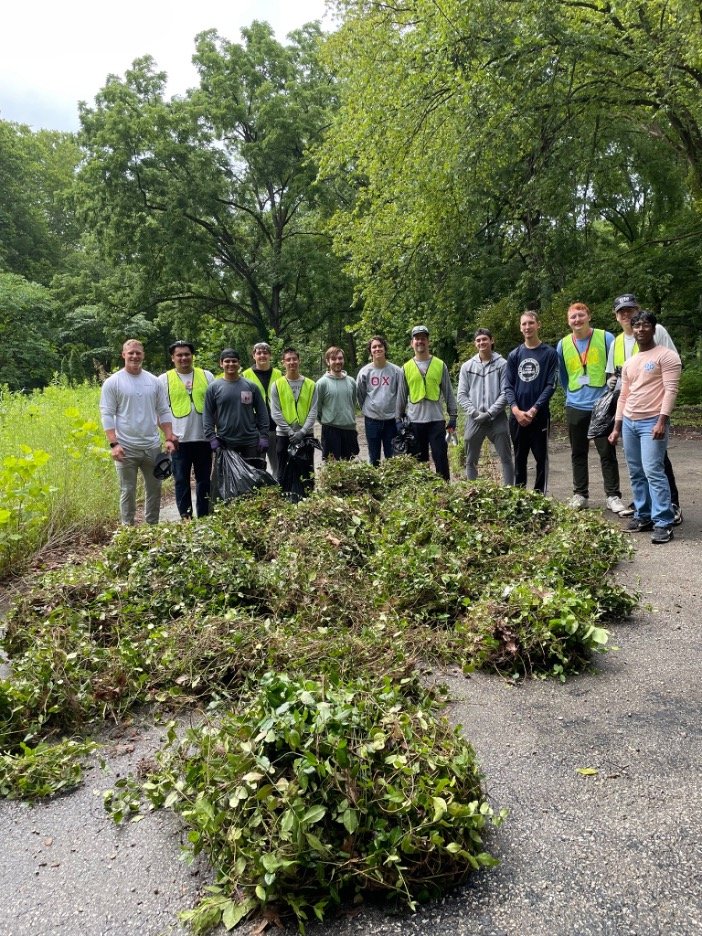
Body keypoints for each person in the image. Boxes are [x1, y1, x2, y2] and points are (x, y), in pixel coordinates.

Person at [606, 293, 682, 525]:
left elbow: (670, 387)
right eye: (635, 324)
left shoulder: (664, 350)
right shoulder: (624, 351)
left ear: (652, 328)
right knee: (637, 471)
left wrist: (662, 420)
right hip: (629, 419)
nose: (639, 328)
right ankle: (644, 514)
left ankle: (666, 517)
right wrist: (617, 426)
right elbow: (622, 391)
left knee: (654, 469)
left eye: (644, 324)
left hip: (652, 419)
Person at [556, 302, 627, 514]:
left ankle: (613, 495)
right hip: (575, 404)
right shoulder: (563, 344)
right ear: (568, 321)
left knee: (607, 451)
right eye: (573, 317)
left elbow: (617, 366)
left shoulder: (605, 338)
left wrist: (612, 388)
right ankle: (580, 494)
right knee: (578, 452)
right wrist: (570, 393)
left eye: (580, 315)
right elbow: (563, 375)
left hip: (602, 404)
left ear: (589, 316)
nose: (577, 320)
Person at [100, 338, 177, 525]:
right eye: (131, 352)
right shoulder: (113, 382)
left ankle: (151, 528)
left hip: (151, 446)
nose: (134, 356)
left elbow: (164, 410)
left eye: (138, 353)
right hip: (125, 448)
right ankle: (128, 530)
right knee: (127, 490)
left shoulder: (153, 381)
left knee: (155, 489)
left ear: (143, 355)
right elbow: (107, 414)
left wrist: (169, 437)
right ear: (123, 355)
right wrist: (114, 443)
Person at [503, 311, 559, 493]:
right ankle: (519, 496)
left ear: (538, 325)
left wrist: (534, 409)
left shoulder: (549, 354)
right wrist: (516, 410)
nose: (527, 327)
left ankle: (538, 496)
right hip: (517, 417)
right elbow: (508, 385)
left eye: (531, 323)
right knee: (519, 457)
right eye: (524, 324)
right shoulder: (514, 355)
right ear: (520, 328)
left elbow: (551, 385)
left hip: (539, 417)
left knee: (541, 458)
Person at [158, 340, 214, 520]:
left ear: (192, 356)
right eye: (179, 355)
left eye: (187, 354)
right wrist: (168, 436)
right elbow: (157, 410)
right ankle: (186, 518)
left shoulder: (207, 376)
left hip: (204, 438)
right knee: (181, 480)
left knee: (204, 480)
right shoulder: (163, 380)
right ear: (172, 358)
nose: (184, 358)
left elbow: (216, 406)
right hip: (178, 440)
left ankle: (205, 516)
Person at [396, 325, 458, 481]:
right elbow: (401, 396)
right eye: (417, 338)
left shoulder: (439, 364)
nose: (420, 341)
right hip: (415, 422)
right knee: (419, 463)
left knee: (441, 459)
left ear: (428, 341)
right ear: (412, 343)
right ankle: (422, 496)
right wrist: (398, 419)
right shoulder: (406, 368)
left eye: (423, 338)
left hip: (436, 421)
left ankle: (444, 493)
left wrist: (453, 416)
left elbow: (448, 391)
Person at [457, 328, 514, 484]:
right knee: (470, 459)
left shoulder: (503, 364)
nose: (482, 342)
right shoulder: (467, 366)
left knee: (506, 457)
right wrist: (474, 413)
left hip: (497, 418)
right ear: (475, 344)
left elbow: (506, 393)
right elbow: (461, 394)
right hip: (474, 418)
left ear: (491, 341)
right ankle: (473, 491)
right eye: (478, 340)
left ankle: (510, 492)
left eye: (484, 339)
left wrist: (490, 413)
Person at [202, 348, 269, 463]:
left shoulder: (251, 386)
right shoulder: (213, 388)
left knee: (252, 478)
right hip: (226, 443)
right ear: (221, 363)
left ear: (239, 363)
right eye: (227, 361)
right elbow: (207, 414)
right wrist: (212, 437)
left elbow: (262, 412)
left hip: (251, 442)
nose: (231, 364)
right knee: (229, 479)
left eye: (234, 361)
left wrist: (263, 436)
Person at [270, 348, 319, 498]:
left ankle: (307, 499)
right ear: (283, 363)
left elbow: (313, 410)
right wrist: (291, 432)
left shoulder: (311, 384)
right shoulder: (277, 385)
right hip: (284, 436)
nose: (292, 362)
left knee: (307, 470)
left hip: (306, 435)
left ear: (299, 360)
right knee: (282, 470)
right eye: (288, 360)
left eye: (294, 359)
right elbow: (275, 412)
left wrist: (302, 432)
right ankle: (284, 500)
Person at [356, 335, 403, 466]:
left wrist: (399, 416)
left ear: (385, 348)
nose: (377, 349)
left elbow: (401, 395)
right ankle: (374, 484)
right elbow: (360, 394)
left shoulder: (396, 371)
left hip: (391, 421)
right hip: (372, 420)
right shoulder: (365, 372)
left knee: (392, 457)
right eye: (374, 347)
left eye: (380, 346)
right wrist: (367, 409)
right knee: (373, 457)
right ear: (370, 351)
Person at [242, 341, 283, 476]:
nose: (262, 355)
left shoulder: (279, 374)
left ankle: (278, 491)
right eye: (259, 353)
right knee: (257, 465)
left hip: (275, 426)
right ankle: (260, 493)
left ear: (270, 355)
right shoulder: (245, 375)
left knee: (278, 464)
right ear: (254, 356)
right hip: (255, 427)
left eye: (265, 353)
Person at [316, 347, 359, 461]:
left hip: (349, 429)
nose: (337, 361)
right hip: (330, 429)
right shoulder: (321, 383)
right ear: (327, 361)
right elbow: (317, 408)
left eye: (340, 358)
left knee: (348, 466)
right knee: (332, 467)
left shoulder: (351, 382)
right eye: (333, 359)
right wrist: (327, 420)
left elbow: (352, 403)